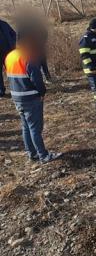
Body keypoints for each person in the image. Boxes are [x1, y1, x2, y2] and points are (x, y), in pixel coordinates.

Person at [5, 27, 61, 163]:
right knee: (35, 128)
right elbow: (36, 79)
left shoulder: (10, 56)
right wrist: (42, 92)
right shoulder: (28, 57)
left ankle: (31, 153)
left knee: (25, 126)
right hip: (30, 97)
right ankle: (43, 155)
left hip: (17, 97)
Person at [0, 18, 17, 98]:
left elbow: (13, 34)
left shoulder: (4, 24)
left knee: (11, 70)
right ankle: (1, 91)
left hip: (8, 52)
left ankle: (16, 88)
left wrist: (13, 43)